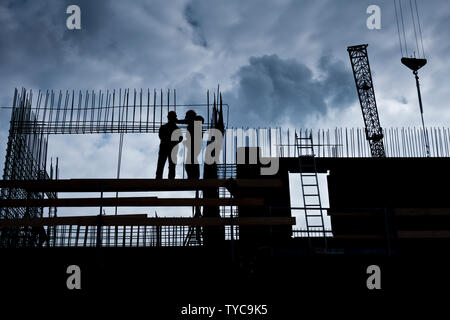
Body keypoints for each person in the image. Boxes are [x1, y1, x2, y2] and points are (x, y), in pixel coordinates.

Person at [178, 110, 204, 179]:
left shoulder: (197, 119)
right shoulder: (194, 122)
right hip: (193, 144)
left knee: (191, 160)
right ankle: (192, 176)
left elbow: (186, 121)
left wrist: (177, 121)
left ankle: (194, 177)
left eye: (187, 117)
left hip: (195, 144)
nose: (186, 118)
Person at [155, 111, 182, 179]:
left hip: (167, 146)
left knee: (163, 162)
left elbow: (180, 138)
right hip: (169, 146)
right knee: (166, 163)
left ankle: (160, 177)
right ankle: (169, 178)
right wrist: (172, 141)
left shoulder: (165, 127)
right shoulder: (176, 128)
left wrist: (170, 140)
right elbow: (180, 138)